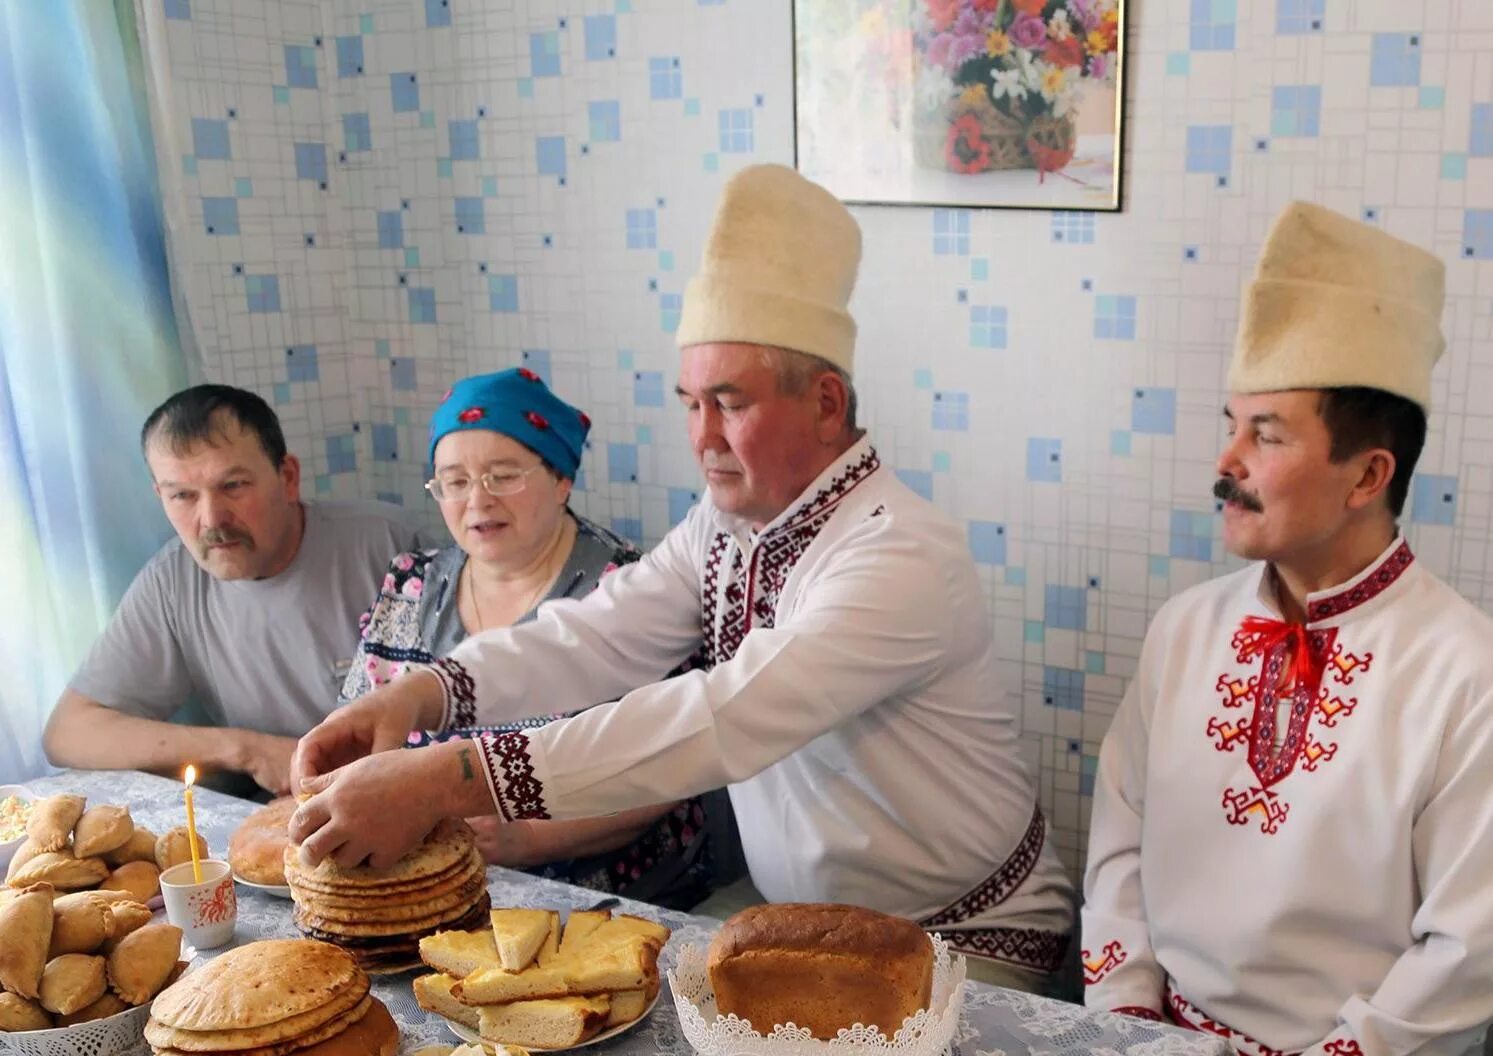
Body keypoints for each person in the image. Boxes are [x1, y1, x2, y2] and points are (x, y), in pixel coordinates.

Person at [289, 163, 1075, 994]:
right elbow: (597, 634)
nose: (702, 437)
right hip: (804, 925)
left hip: (966, 932)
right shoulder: (726, 524)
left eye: (730, 403)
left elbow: (724, 718)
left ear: (825, 402)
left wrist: (452, 776)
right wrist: (420, 698)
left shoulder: (902, 554)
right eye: (689, 402)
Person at [1081, 202, 1493, 1056]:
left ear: (1366, 475)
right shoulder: (1183, 627)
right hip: (1164, 1054)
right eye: (1230, 424)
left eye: (1264, 433)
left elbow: (1463, 957)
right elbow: (1116, 835)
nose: (1224, 461)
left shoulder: (1466, 669)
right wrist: (1128, 1023)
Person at [345, 367, 731, 907]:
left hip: (606, 895)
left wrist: (524, 838)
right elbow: (368, 731)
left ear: (562, 479)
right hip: (434, 886)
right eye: (454, 482)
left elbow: (671, 765)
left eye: (503, 475)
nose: (477, 501)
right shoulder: (411, 582)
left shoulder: (631, 588)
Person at [43, 384, 420, 797]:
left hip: (401, 794)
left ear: (288, 477)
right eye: (183, 496)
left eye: (234, 486)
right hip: (279, 810)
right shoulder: (173, 581)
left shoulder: (390, 547)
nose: (211, 519)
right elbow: (68, 733)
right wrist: (247, 750)